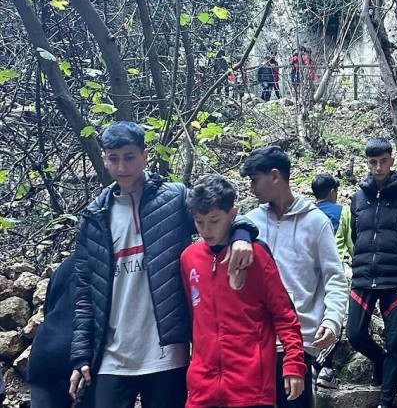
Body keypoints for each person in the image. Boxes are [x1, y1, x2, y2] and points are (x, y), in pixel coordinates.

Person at [68, 122, 256, 408]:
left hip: (167, 353)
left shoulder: (173, 198)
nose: (122, 167)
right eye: (114, 158)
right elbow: (84, 293)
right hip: (111, 355)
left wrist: (242, 233)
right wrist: (81, 355)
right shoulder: (93, 217)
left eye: (130, 157)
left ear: (145, 156)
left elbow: (218, 211)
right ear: (104, 159)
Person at [181, 174, 306, 408]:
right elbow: (193, 319)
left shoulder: (256, 255)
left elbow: (284, 315)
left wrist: (294, 363)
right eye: (199, 222)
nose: (206, 230)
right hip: (202, 389)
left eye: (214, 221)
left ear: (232, 214)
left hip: (251, 388)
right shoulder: (189, 258)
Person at [240, 146, 348, 408]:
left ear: (274, 176)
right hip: (255, 341)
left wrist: (332, 320)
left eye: (255, 180)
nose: (251, 188)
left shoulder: (316, 222)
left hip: (299, 341)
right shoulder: (249, 223)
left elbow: (334, 277)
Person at [347, 138, 397, 408]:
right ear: (367, 163)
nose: (378, 167)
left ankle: (386, 401)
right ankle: (380, 361)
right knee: (355, 334)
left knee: (396, 342)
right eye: (373, 162)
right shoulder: (358, 198)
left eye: (383, 161)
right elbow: (357, 236)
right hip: (364, 277)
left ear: (391, 160)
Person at [28, 258, 94, 408]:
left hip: (44, 352)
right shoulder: (109, 266)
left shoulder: (66, 266)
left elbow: (49, 307)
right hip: (79, 355)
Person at [310, 173, 353, 389]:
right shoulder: (343, 211)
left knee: (316, 317)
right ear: (332, 192)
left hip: (311, 274)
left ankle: (320, 367)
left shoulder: (308, 214)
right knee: (336, 319)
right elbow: (351, 244)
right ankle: (322, 368)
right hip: (335, 271)